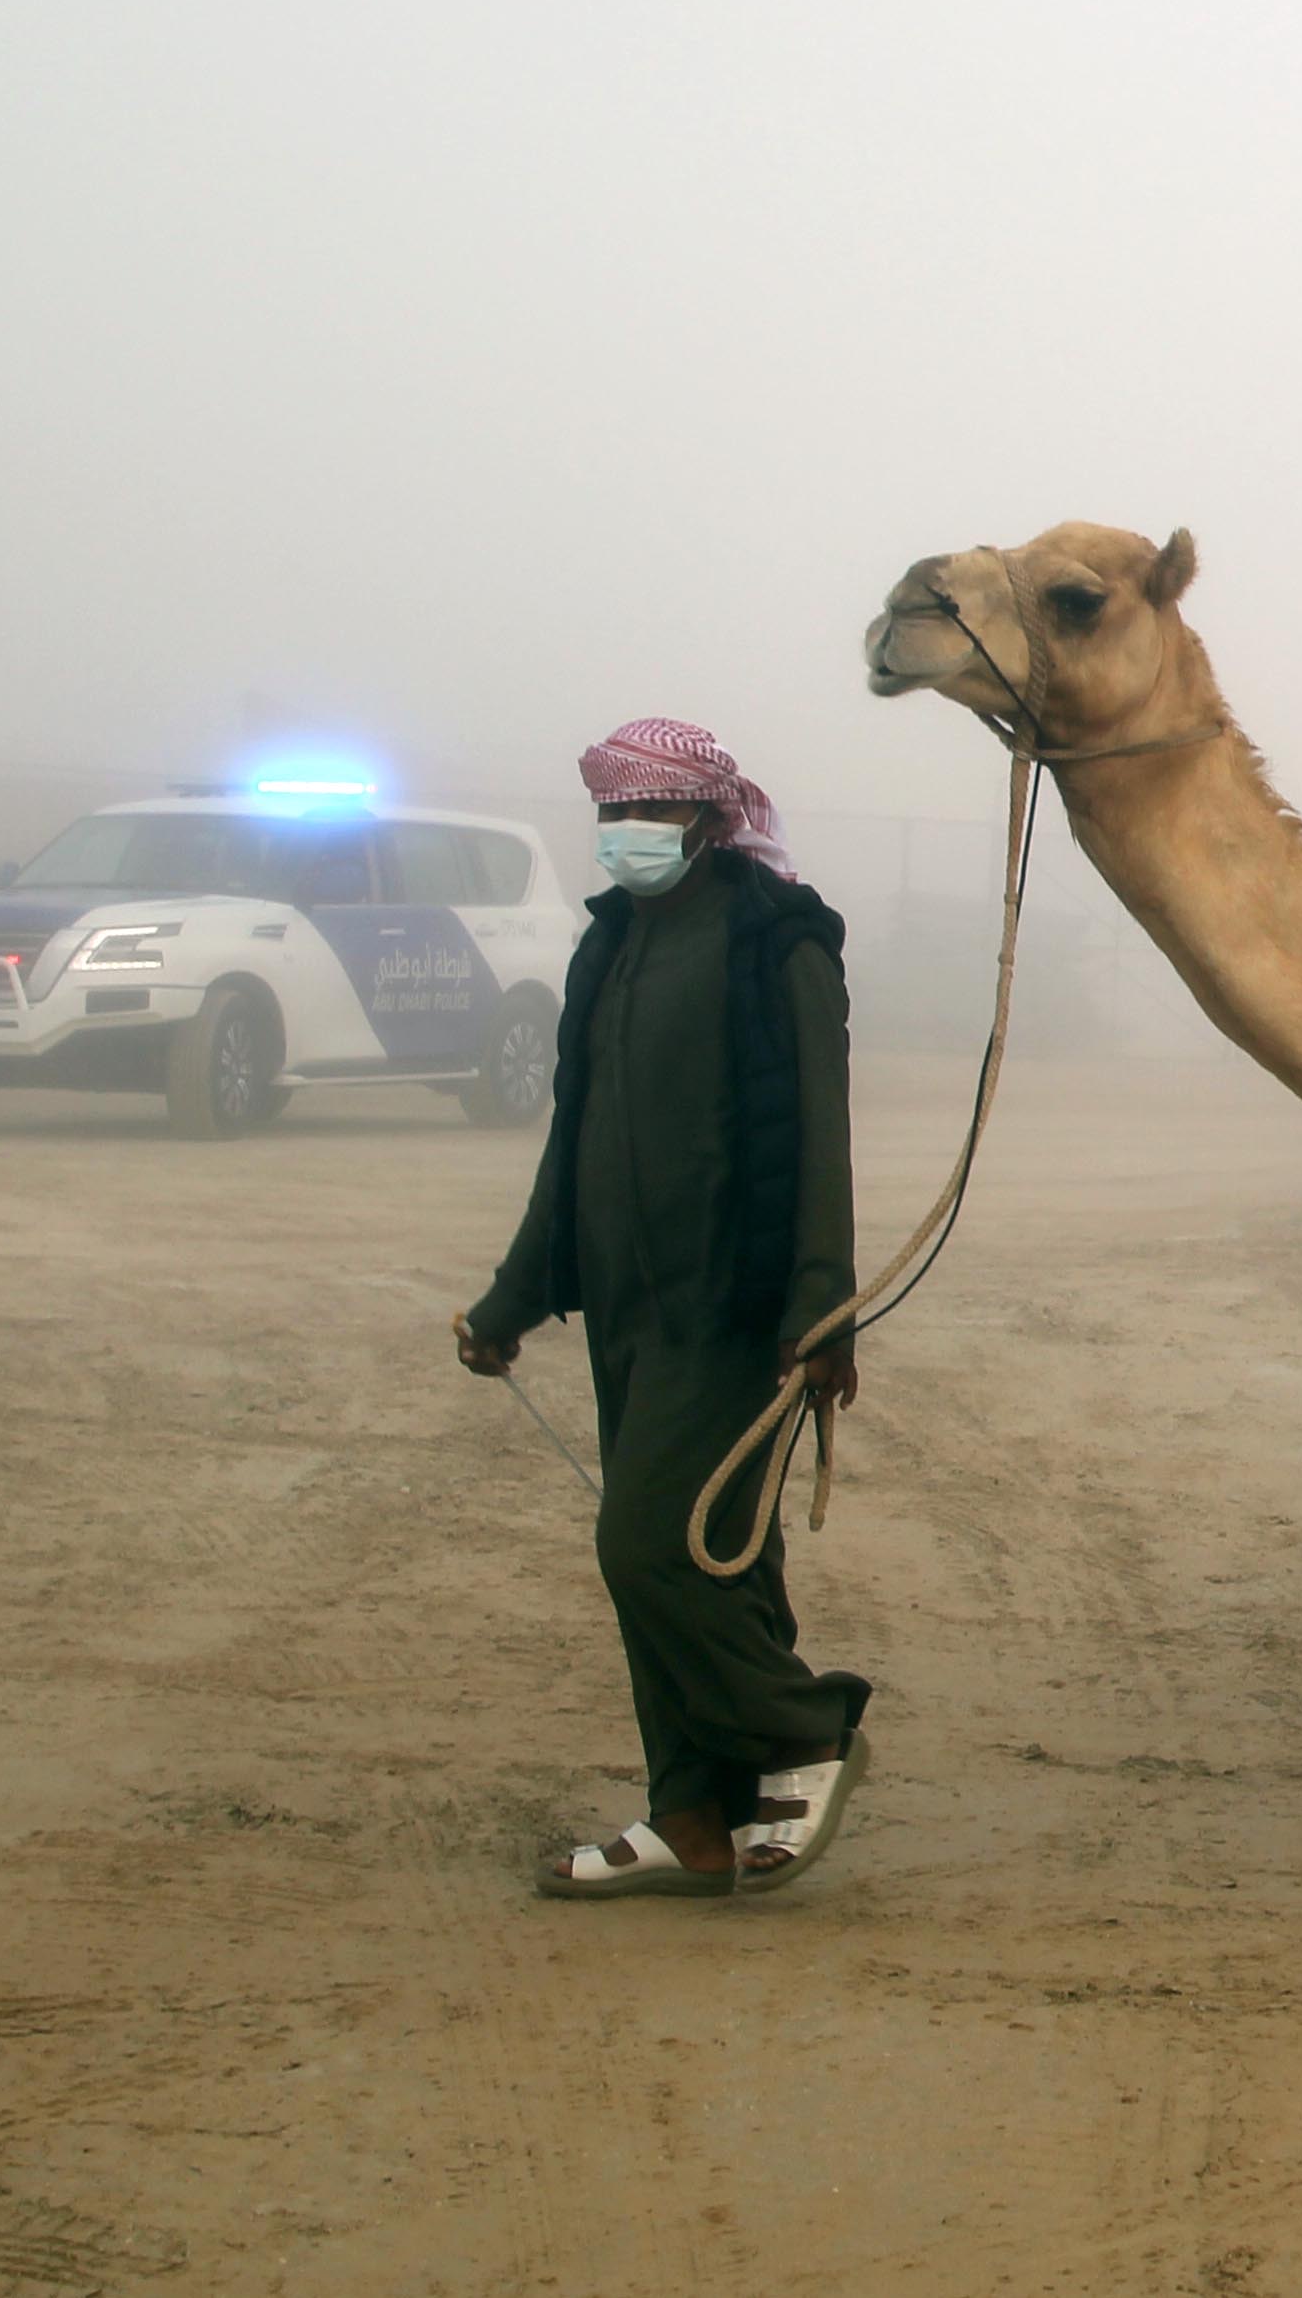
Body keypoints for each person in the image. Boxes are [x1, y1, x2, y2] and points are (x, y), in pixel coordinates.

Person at [454, 718, 875, 1896]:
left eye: (644, 813)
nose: (621, 835)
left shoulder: (778, 940)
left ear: (705, 818)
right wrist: (511, 1298)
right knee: (721, 1559)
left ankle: (808, 1726)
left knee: (647, 1544)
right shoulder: (608, 947)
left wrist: (823, 1304)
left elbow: (819, 1133)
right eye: (606, 814)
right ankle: (691, 1812)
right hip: (622, 1303)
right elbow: (572, 1136)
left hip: (730, 1306)